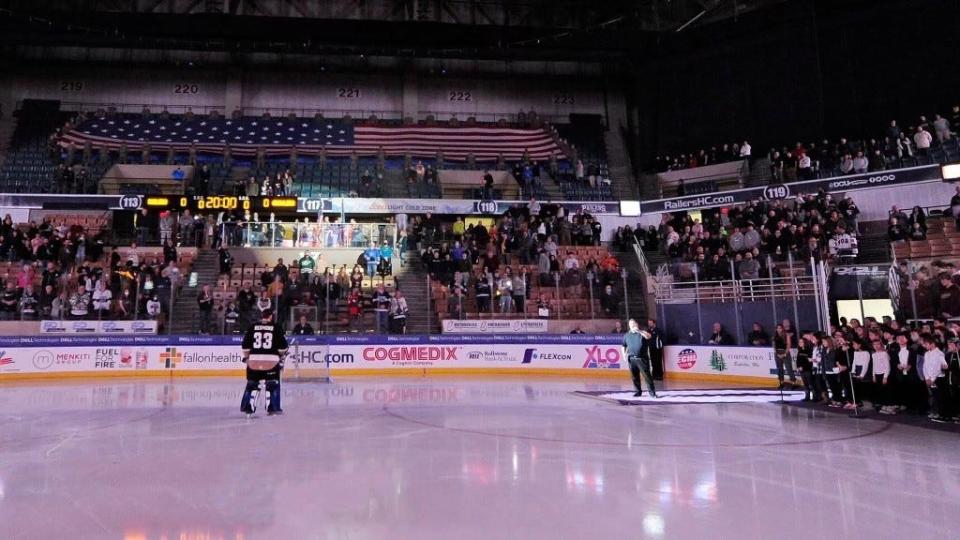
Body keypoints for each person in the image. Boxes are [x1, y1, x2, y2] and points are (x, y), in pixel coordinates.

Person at [240, 308, 288, 416]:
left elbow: (245, 347)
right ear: (270, 316)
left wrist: (248, 358)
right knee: (273, 385)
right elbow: (283, 348)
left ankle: (247, 407)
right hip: (271, 362)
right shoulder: (276, 328)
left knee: (251, 384)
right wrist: (280, 355)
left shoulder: (252, 327)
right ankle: (273, 408)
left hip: (254, 362)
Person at [622, 319, 657, 398]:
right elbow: (623, 345)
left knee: (647, 376)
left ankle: (652, 393)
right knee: (634, 376)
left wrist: (639, 331)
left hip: (642, 358)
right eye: (630, 324)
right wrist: (624, 354)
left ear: (636, 324)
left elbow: (648, 336)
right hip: (631, 359)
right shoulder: (627, 335)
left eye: (633, 323)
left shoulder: (642, 333)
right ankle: (638, 391)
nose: (631, 325)